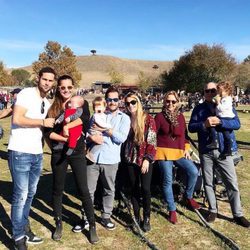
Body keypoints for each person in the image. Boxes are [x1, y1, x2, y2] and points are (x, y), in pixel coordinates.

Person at [45, 75, 99, 244]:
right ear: (58, 88)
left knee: (83, 189)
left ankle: (92, 226)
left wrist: (67, 126)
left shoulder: (81, 104)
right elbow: (47, 133)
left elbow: (83, 121)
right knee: (57, 189)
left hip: (77, 153)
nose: (66, 91)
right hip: (59, 153)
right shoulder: (52, 108)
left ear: (73, 87)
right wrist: (63, 140)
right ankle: (58, 223)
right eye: (63, 88)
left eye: (69, 87)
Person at [188, 82, 250, 228]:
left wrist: (221, 122)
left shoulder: (226, 104)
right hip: (206, 151)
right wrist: (204, 124)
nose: (210, 93)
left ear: (217, 91)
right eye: (207, 91)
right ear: (203, 92)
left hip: (224, 150)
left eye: (213, 90)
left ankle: (238, 214)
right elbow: (191, 127)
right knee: (208, 183)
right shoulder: (198, 108)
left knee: (231, 182)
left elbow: (236, 123)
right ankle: (212, 210)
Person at [7, 67, 56, 250]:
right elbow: (17, 119)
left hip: (37, 153)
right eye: (45, 79)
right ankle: (18, 237)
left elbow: (45, 131)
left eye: (51, 81)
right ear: (38, 78)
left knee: (30, 194)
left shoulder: (46, 101)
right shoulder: (27, 94)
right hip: (20, 152)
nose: (47, 83)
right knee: (20, 196)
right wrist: (42, 122)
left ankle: (24, 228)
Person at [75, 85, 130, 231]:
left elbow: (121, 138)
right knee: (88, 190)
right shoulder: (97, 115)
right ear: (105, 101)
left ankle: (106, 216)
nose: (112, 102)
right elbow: (87, 134)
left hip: (111, 160)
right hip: (93, 157)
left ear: (120, 100)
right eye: (109, 99)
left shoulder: (124, 118)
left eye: (115, 99)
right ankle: (86, 218)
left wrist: (107, 130)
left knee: (109, 189)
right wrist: (91, 136)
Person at [154, 91, 200, 224]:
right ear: (164, 102)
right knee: (167, 180)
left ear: (177, 102)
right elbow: (152, 135)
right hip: (163, 153)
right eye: (168, 101)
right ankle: (172, 209)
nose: (170, 104)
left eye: (173, 101)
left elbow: (185, 136)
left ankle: (188, 196)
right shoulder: (159, 117)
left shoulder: (180, 117)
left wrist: (186, 149)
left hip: (179, 152)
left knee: (193, 171)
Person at [123, 92, 157, 232]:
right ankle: (136, 218)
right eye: (127, 103)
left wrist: (147, 159)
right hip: (130, 159)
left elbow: (152, 141)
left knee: (146, 189)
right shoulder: (125, 119)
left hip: (144, 160)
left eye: (133, 102)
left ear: (138, 103)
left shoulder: (148, 119)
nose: (130, 105)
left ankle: (147, 218)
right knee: (134, 188)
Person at [207, 81, 235, 158]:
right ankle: (215, 141)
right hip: (220, 117)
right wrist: (214, 101)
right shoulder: (223, 98)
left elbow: (222, 109)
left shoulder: (228, 99)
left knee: (226, 136)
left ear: (227, 91)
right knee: (212, 126)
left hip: (226, 118)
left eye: (221, 91)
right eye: (218, 91)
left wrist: (218, 102)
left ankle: (228, 149)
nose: (219, 93)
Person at [86, 96, 112, 162]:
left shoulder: (104, 115)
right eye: (96, 107)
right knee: (100, 141)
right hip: (93, 132)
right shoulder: (96, 115)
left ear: (104, 107)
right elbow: (100, 123)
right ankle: (90, 153)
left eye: (100, 107)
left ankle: (88, 151)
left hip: (97, 131)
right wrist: (108, 126)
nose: (98, 109)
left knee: (97, 142)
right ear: (94, 109)